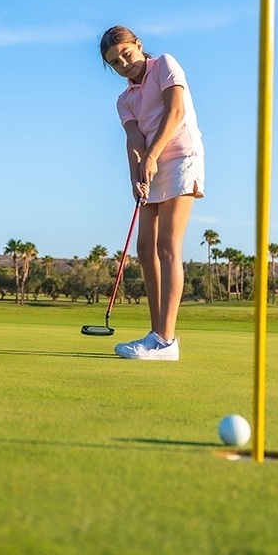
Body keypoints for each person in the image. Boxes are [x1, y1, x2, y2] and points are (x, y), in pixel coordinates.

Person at [100, 25, 204, 361]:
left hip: (181, 157)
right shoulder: (124, 100)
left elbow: (176, 112)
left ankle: (166, 340)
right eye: (114, 63)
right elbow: (134, 140)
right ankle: (156, 332)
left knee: (167, 245)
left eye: (126, 55)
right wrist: (136, 176)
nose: (123, 65)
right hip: (151, 163)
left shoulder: (165, 65)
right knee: (145, 249)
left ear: (138, 45)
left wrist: (151, 157)